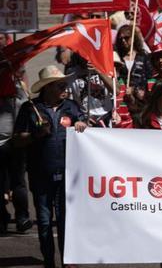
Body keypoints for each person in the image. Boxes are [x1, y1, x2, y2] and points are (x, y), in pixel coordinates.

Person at [13, 66, 87, 268]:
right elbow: (17, 140)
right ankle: (48, 262)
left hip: (67, 175)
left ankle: (67, 262)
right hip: (40, 175)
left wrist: (82, 126)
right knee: (45, 223)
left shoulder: (71, 106)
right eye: (60, 85)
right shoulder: (30, 108)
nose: (65, 88)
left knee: (66, 223)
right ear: (47, 88)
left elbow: (85, 126)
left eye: (65, 84)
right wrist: (36, 134)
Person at [0, 67, 31, 235]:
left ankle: (22, 216)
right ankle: (2, 217)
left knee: (18, 182)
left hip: (15, 142)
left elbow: (27, 106)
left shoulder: (18, 90)